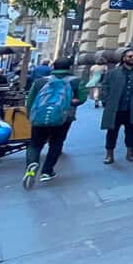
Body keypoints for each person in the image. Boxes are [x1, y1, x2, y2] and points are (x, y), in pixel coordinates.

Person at [23, 58, 86, 187]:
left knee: (35, 144)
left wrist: (30, 115)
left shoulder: (40, 81)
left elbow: (29, 101)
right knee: (56, 143)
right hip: (64, 118)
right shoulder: (76, 81)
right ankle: (47, 172)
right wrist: (71, 101)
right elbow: (82, 99)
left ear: (53, 67)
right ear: (70, 67)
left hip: (40, 117)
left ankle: (31, 165)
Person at [100, 47, 133, 164]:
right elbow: (105, 86)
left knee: (131, 131)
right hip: (115, 108)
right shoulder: (113, 72)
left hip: (131, 108)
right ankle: (109, 154)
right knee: (112, 132)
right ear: (124, 58)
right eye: (130, 56)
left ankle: (130, 152)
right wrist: (106, 101)